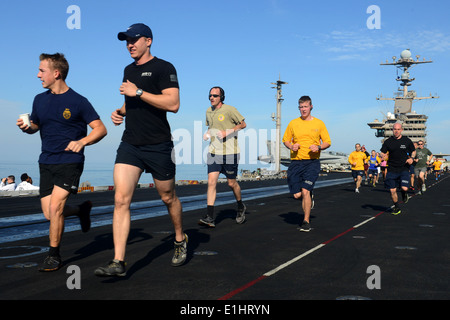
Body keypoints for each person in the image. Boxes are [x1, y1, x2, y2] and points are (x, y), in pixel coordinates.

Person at [94, 23, 186, 277]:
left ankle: (179, 238)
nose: (130, 44)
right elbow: (132, 100)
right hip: (131, 144)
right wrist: (120, 111)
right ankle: (118, 261)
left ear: (149, 41)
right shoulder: (127, 69)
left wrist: (139, 91)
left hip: (158, 145)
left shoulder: (164, 67)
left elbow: (173, 103)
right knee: (121, 199)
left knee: (168, 197)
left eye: (134, 40)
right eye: (126, 41)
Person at [16, 53, 107, 272]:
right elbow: (37, 125)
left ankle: (53, 255)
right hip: (46, 160)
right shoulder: (39, 99)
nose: (38, 75)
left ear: (56, 73)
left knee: (56, 208)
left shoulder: (78, 101)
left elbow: (101, 129)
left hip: (70, 160)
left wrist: (82, 142)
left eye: (41, 70)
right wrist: (28, 128)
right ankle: (80, 210)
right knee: (49, 213)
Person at [198, 86, 247, 228]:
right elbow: (210, 126)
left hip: (230, 153)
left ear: (222, 97)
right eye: (210, 96)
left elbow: (243, 124)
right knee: (211, 182)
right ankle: (210, 217)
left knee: (231, 183)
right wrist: (207, 133)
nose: (211, 98)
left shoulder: (230, 109)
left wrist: (228, 132)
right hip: (214, 152)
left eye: (215, 95)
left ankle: (240, 206)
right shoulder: (208, 111)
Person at [282, 96, 331, 232]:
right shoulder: (293, 123)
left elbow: (327, 141)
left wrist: (319, 147)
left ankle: (306, 221)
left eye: (305, 107)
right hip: (296, 162)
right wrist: (291, 146)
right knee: (297, 195)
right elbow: (285, 140)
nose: (303, 109)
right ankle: (308, 196)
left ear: (311, 107)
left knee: (305, 191)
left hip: (312, 162)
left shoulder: (319, 124)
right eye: (301, 107)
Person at [380, 122, 415, 215]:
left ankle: (404, 194)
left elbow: (413, 151)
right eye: (395, 129)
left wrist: (411, 158)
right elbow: (382, 152)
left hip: (403, 168)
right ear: (392, 130)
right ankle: (396, 206)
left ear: (401, 130)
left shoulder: (407, 141)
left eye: (398, 129)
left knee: (404, 188)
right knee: (392, 190)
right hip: (392, 169)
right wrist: (382, 156)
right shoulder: (388, 141)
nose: (396, 131)